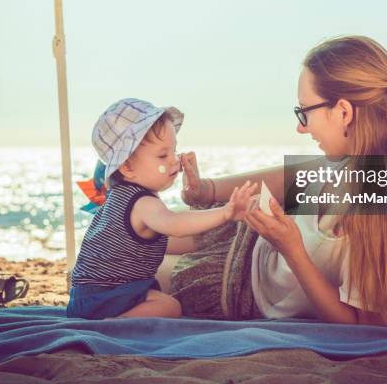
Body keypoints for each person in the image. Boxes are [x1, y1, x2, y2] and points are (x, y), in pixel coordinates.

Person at [157, 36, 387, 327]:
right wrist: (209, 189)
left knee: (133, 269)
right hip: (242, 235)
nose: (300, 127)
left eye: (304, 112)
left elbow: (367, 327)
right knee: (134, 235)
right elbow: (292, 178)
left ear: (344, 112)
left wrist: (292, 250)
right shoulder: (362, 156)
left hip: (237, 284)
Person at [67, 98, 256, 320]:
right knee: (170, 307)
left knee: (161, 299)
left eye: (174, 151)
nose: (174, 160)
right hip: (105, 295)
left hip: (89, 295)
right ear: (127, 166)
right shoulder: (143, 203)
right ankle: (114, 324)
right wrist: (226, 212)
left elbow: (173, 238)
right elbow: (176, 225)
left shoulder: (119, 198)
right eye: (162, 155)